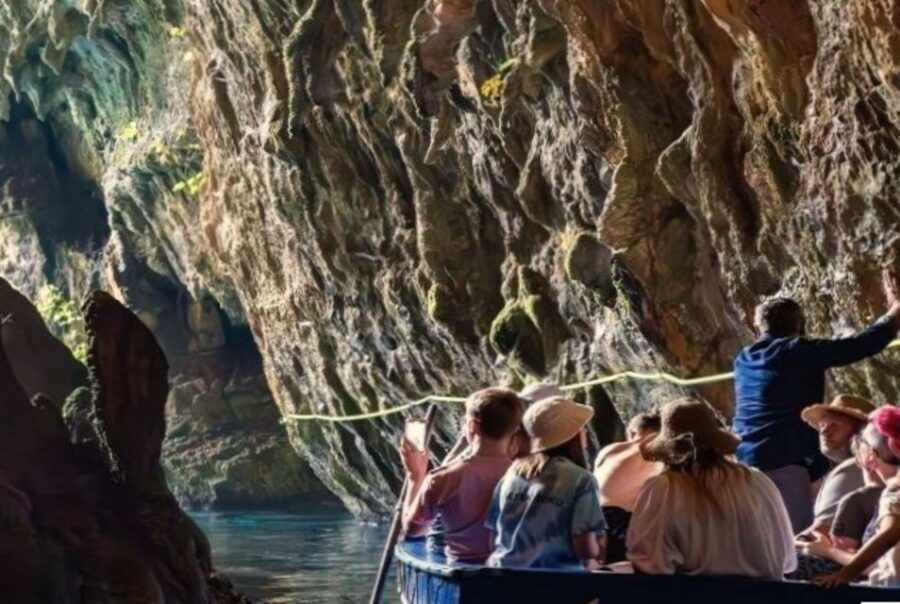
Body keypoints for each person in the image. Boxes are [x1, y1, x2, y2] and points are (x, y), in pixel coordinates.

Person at [733, 270, 900, 531]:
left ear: (759, 328)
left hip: (745, 462)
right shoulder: (798, 350)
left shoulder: (744, 359)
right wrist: (896, 310)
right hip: (785, 461)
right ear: (800, 327)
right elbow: (859, 346)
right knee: (793, 541)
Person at [627, 398, 796, 580]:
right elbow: (787, 560)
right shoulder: (759, 481)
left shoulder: (664, 489)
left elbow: (652, 564)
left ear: (669, 452)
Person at [400, 387, 525, 563]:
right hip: (513, 572)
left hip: (464, 574)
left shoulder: (444, 478)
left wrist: (415, 476)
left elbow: (412, 529)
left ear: (473, 425)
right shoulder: (528, 476)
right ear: (515, 429)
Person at [486, 397, 607, 569]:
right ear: (573, 436)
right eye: (582, 429)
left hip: (503, 574)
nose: (585, 433)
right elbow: (585, 549)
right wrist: (599, 547)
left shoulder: (513, 472)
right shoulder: (581, 479)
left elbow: (493, 537)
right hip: (554, 582)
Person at [819, 408, 900, 587]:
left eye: (861, 441)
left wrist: (844, 574)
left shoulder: (895, 490)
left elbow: (890, 532)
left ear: (870, 456)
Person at [799, 394, 875, 536]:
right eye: (822, 425)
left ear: (860, 433)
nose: (824, 431)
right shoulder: (862, 468)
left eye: (835, 425)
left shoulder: (852, 469)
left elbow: (821, 532)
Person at [593, 411, 662, 563]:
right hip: (618, 522)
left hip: (594, 517)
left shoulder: (609, 450)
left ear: (631, 432)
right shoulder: (652, 453)